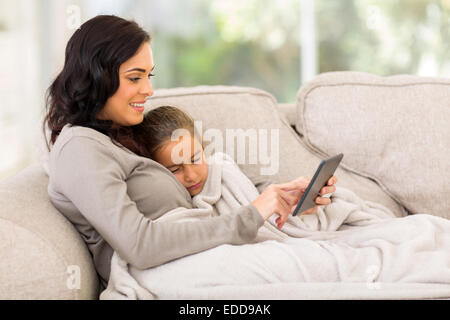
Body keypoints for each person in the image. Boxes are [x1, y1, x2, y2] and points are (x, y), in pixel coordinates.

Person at [43, 15, 336, 290]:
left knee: (336, 255)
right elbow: (140, 246)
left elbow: (201, 194)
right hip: (165, 269)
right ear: (96, 78)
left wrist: (281, 203)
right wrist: (251, 215)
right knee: (329, 264)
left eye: (149, 76)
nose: (148, 90)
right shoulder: (79, 148)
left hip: (195, 251)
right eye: (135, 78)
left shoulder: (116, 135)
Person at [118, 106, 337, 230]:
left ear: (203, 145)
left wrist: (295, 206)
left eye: (195, 158)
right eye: (174, 169)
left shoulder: (222, 169)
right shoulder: (165, 201)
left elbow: (254, 203)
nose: (191, 175)